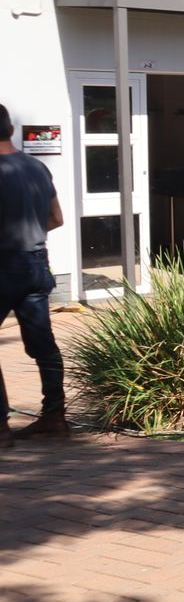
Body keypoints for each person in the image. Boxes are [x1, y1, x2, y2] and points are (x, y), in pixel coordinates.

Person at [0, 103, 68, 446]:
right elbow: (57, 219)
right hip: (36, 264)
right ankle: (55, 416)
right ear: (10, 130)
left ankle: (1, 428)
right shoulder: (37, 167)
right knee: (44, 345)